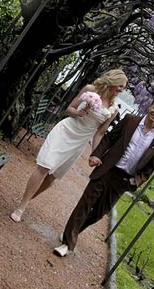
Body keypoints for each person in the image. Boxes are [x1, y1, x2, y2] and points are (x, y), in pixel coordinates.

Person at [53, 96, 154, 257]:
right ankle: (68, 243)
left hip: (123, 180)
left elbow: (151, 166)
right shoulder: (130, 120)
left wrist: (135, 181)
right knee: (85, 204)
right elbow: (109, 138)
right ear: (149, 107)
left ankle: (72, 232)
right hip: (107, 169)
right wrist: (96, 154)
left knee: (99, 212)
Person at [10, 69, 128, 222]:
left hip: (79, 142)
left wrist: (95, 154)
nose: (121, 90)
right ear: (112, 81)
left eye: (123, 88)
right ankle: (22, 206)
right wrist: (79, 113)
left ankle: (28, 199)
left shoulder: (114, 109)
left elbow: (99, 133)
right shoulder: (90, 90)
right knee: (45, 166)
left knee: (53, 177)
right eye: (120, 86)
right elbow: (69, 109)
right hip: (66, 130)